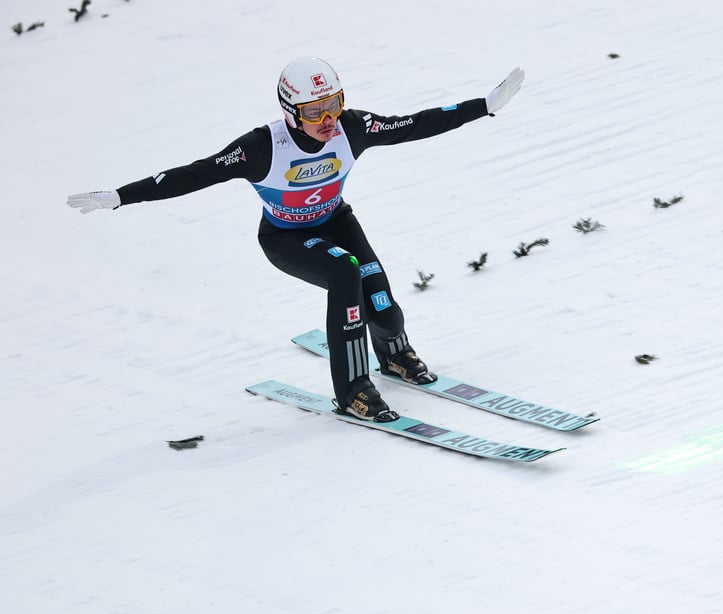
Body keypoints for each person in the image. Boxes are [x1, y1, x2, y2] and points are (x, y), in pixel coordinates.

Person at [67, 57, 524, 423]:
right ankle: (353, 390)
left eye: (334, 104)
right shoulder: (261, 147)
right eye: (313, 112)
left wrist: (483, 105)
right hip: (286, 239)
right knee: (345, 273)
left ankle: (393, 354)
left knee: (385, 313)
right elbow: (195, 173)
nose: (328, 120)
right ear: (290, 112)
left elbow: (414, 124)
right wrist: (122, 196)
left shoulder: (352, 127)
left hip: (337, 223)